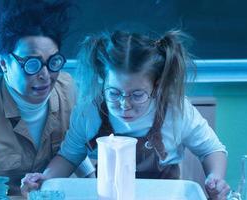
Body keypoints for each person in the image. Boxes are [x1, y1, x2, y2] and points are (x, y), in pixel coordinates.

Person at [21, 30, 230, 199]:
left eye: (137, 95)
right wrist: (44, 180)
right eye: (113, 93)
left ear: (156, 87)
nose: (124, 105)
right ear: (103, 81)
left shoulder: (176, 111)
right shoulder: (89, 112)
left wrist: (215, 178)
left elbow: (212, 150)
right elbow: (68, 156)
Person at [0, 1, 94, 196]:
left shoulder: (69, 89)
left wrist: (94, 180)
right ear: (4, 63)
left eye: (53, 61)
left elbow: (72, 147)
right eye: (32, 64)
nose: (46, 75)